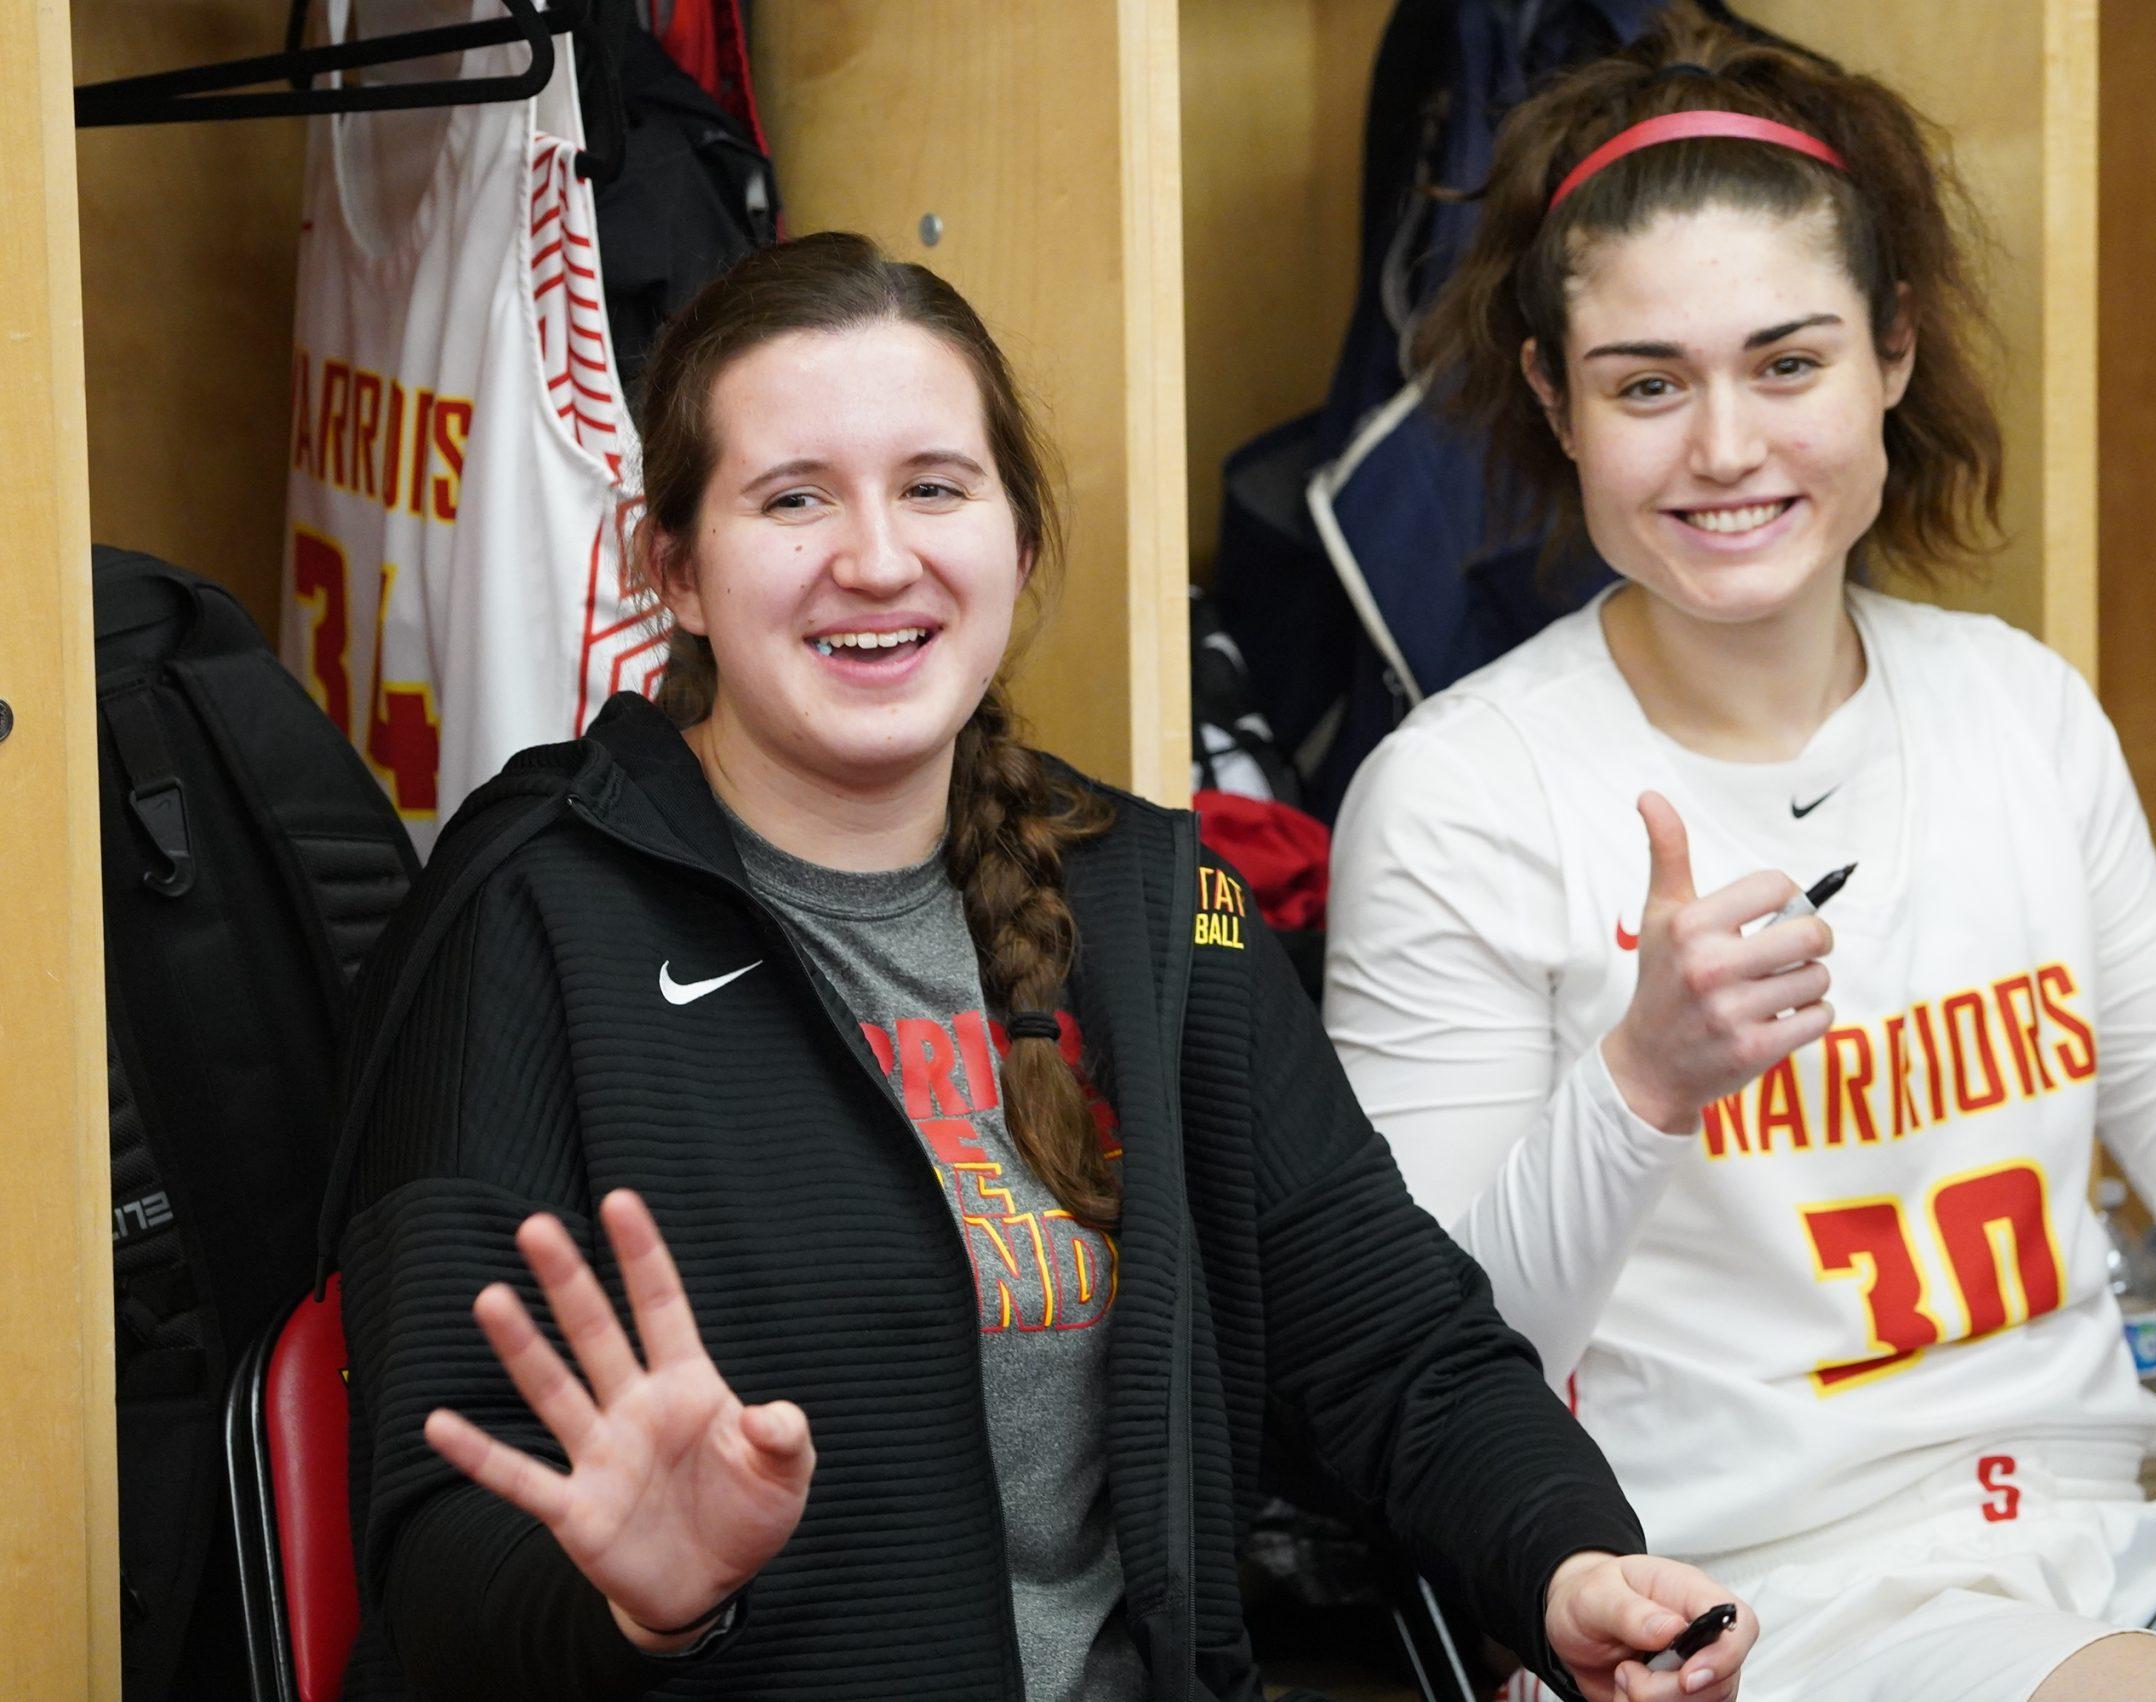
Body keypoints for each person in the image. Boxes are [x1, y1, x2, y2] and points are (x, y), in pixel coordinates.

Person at [325, 231, 1756, 1702]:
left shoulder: (1158, 905)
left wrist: (1576, 1564)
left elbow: (1395, 1339)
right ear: (673, 569)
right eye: (793, 496)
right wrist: (643, 1600)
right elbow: (436, 1558)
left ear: (1014, 542)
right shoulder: (527, 915)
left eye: (935, 486)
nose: (875, 556)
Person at [1322, 17, 2156, 1702]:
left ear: (1891, 351)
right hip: (1746, 1609)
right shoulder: (1457, 792)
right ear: (1553, 397)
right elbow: (1430, 1374)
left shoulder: (2016, 708)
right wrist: (1645, 1077)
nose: (1728, 448)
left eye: (1788, 362)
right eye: (1646, 384)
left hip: (2108, 1549)